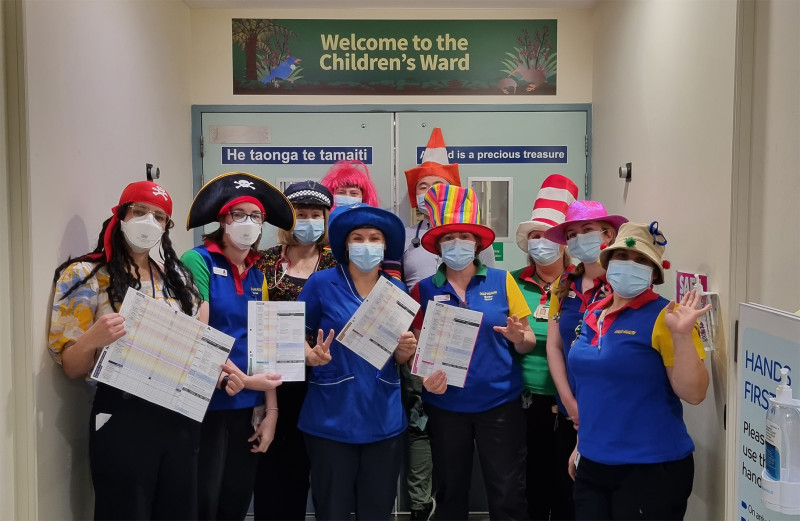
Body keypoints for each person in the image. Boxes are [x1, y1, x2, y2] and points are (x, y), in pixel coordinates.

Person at [48, 181, 203, 520]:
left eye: (160, 217)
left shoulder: (175, 277)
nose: (149, 221)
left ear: (166, 227)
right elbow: (72, 367)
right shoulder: (85, 275)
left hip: (178, 414)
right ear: (121, 215)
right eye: (140, 211)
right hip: (122, 414)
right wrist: (93, 338)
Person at [566, 221, 710, 520]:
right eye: (622, 257)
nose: (630, 265)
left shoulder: (667, 317)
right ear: (608, 263)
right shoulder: (594, 313)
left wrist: (682, 335)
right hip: (593, 462)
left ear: (654, 274)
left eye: (641, 261)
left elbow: (694, 393)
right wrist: (582, 444)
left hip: (651, 468)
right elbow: (596, 390)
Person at [412, 184, 536, 521]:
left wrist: (518, 336)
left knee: (508, 490)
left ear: (478, 244)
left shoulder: (502, 281)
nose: (457, 245)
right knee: (450, 491)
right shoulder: (422, 290)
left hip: (500, 404)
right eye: (449, 238)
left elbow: (528, 341)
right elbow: (414, 350)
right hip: (446, 406)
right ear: (438, 246)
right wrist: (423, 375)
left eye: (465, 237)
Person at [181, 171, 296, 521]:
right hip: (204, 402)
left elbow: (265, 344)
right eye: (239, 214)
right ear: (222, 220)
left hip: (247, 407)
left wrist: (271, 410)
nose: (248, 222)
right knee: (203, 502)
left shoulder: (258, 273)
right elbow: (197, 334)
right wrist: (245, 381)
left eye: (256, 216)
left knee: (235, 500)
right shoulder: (197, 261)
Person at [296, 202, 418, 521]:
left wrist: (405, 351)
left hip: (384, 418)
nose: (367, 245)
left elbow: (400, 356)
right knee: (331, 510)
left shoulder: (396, 290)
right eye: (358, 238)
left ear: (385, 245)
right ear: (345, 245)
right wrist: (308, 355)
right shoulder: (322, 284)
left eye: (375, 238)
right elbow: (289, 335)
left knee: (377, 510)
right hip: (331, 418)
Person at [400, 127, 495, 520]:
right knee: (423, 432)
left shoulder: (487, 266)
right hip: (418, 342)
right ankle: (423, 506)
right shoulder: (402, 237)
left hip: (473, 363)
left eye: (438, 184)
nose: (430, 192)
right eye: (423, 186)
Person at [252, 180, 337, 521]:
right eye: (300, 214)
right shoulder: (266, 262)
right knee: (274, 469)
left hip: (326, 381)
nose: (308, 221)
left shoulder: (337, 262)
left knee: (320, 468)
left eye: (316, 214)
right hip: (276, 382)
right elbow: (255, 317)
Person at [510, 174, 579, 521]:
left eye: (548, 236)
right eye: (534, 236)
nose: (540, 243)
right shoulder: (513, 282)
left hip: (575, 406)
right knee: (531, 491)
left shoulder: (581, 286)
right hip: (526, 402)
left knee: (570, 491)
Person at [543, 201, 627, 430]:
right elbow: (554, 346)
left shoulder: (625, 285)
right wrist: (569, 402)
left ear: (608, 234)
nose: (579, 238)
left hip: (616, 407)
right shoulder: (563, 285)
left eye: (587, 230)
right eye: (572, 234)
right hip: (572, 408)